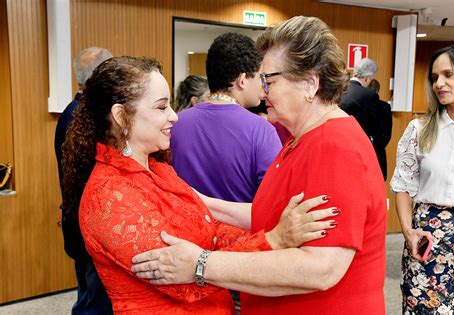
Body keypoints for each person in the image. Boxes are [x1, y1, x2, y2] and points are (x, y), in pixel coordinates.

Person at [131, 16, 387, 314]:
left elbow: (321, 267)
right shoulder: (301, 138)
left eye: (270, 80)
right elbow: (267, 214)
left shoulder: (334, 146)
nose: (262, 91)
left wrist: (200, 265)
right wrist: (194, 200)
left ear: (310, 83)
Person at [61, 56, 339, 314]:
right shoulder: (110, 198)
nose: (174, 115)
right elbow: (180, 280)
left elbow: (211, 231)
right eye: (161, 107)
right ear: (121, 117)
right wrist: (274, 240)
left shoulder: (159, 172)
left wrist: (273, 238)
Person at [390, 44, 454, 314]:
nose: (439, 83)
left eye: (449, 74)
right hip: (425, 243)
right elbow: (402, 186)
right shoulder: (419, 129)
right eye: (435, 77)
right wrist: (408, 231)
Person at [171, 32, 282, 205]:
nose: (264, 86)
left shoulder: (174, 123)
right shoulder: (262, 130)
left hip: (183, 229)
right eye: (260, 77)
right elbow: (274, 202)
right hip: (243, 231)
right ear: (243, 80)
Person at [54, 46, 113, 314]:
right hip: (90, 224)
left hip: (80, 222)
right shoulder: (83, 117)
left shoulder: (74, 110)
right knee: (94, 302)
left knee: (88, 295)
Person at [340, 58, 380, 146]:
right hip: (357, 144)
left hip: (337, 139)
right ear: (367, 78)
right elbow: (375, 127)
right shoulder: (370, 95)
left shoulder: (339, 89)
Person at [367, 79, 393, 180]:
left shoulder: (358, 104)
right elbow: (388, 134)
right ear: (378, 90)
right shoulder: (385, 106)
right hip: (379, 151)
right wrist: (379, 145)